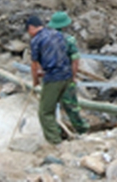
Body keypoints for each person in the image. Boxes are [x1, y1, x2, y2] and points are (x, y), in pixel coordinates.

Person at [27, 15, 72, 145]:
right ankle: (63, 133)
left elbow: (34, 64)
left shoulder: (36, 40)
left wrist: (35, 80)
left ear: (31, 28)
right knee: (62, 107)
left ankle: (55, 142)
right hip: (67, 75)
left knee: (45, 112)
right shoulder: (57, 34)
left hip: (54, 78)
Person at [47, 11, 89, 133]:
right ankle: (81, 129)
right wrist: (73, 76)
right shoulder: (69, 40)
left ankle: (54, 131)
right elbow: (75, 60)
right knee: (71, 106)